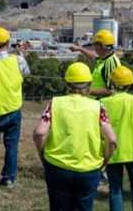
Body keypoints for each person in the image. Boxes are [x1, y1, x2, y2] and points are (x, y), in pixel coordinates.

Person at [33, 62, 117, 211]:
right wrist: (105, 159)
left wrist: (42, 154)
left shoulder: (54, 103)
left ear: (67, 83)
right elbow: (111, 140)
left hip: (57, 166)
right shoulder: (98, 107)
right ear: (89, 84)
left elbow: (39, 133)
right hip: (89, 169)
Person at [0, 27, 29, 187]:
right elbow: (26, 73)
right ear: (8, 43)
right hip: (14, 108)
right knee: (12, 145)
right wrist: (21, 53)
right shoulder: (17, 60)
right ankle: (9, 178)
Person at [101, 66, 133, 211]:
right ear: (130, 83)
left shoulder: (103, 102)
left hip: (113, 152)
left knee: (115, 189)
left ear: (112, 83)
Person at [70, 30, 121, 98]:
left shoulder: (111, 63)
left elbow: (111, 90)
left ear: (102, 46)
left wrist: (87, 90)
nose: (94, 47)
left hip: (102, 104)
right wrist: (80, 49)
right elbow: (94, 56)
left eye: (95, 45)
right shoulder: (105, 58)